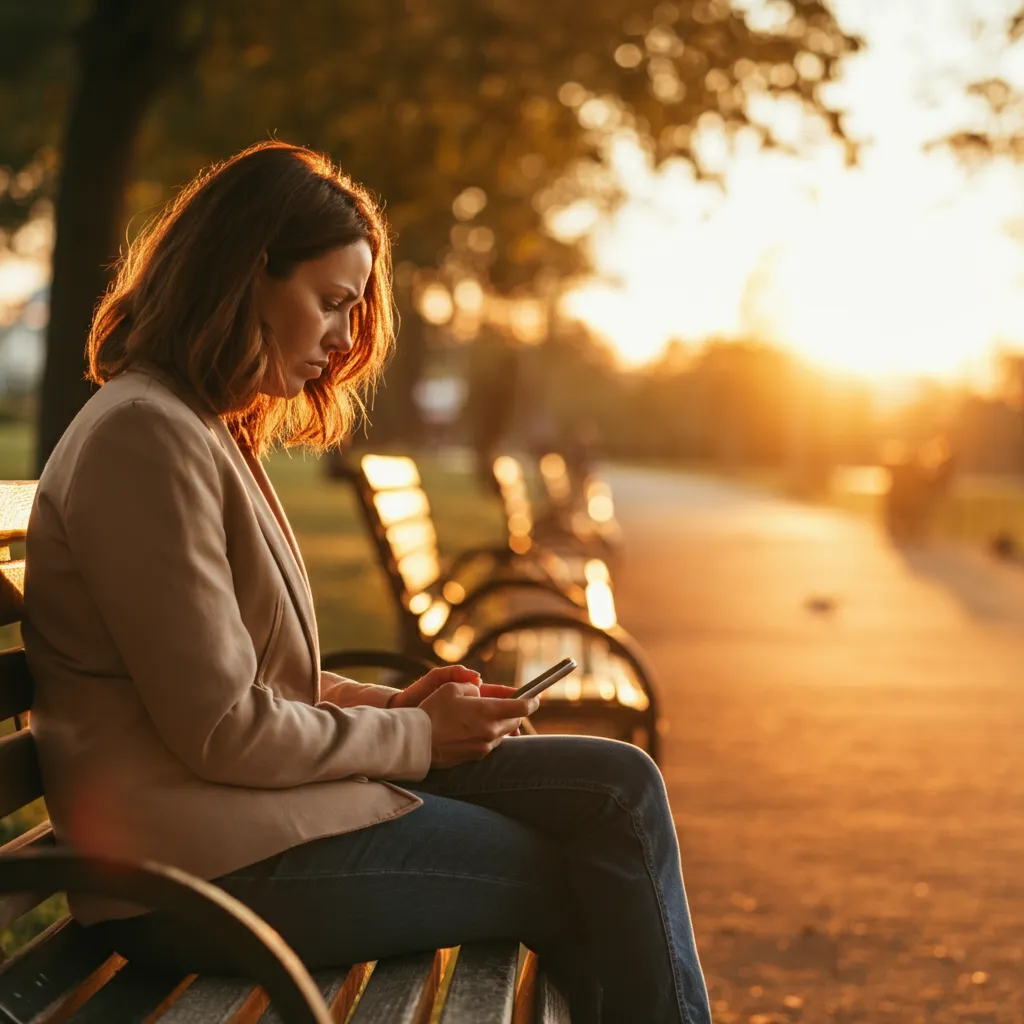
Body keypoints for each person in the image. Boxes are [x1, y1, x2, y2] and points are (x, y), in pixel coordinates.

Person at [22, 142, 712, 1024]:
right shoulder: (144, 439)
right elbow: (226, 729)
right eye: (332, 302)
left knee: (618, 787)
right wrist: (418, 738)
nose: (346, 339)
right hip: (194, 867)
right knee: (590, 868)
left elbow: (249, 681)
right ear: (245, 275)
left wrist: (393, 711)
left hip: (245, 818)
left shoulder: (197, 427)